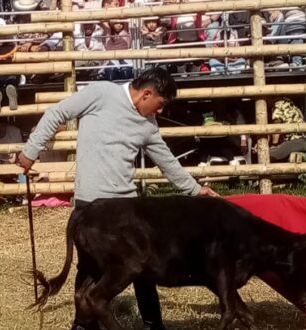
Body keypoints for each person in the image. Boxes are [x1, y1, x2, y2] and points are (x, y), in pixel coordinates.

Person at [17, 68, 218, 330]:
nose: (160, 112)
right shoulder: (101, 93)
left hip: (126, 207)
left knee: (143, 266)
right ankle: (83, 324)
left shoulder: (148, 124)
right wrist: (31, 150)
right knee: (90, 267)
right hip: (92, 204)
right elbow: (58, 112)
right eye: (161, 104)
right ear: (147, 93)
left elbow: (165, 159)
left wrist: (194, 190)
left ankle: (153, 324)